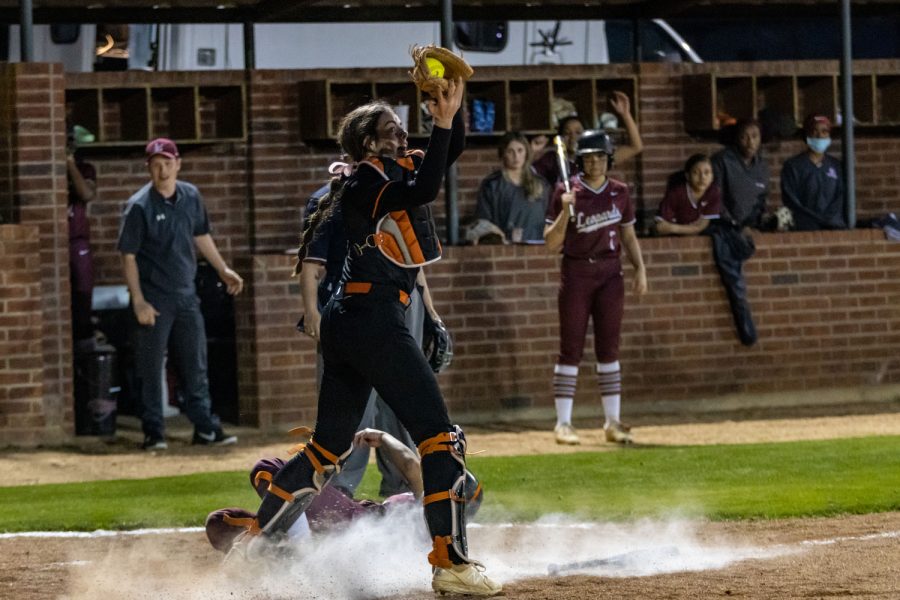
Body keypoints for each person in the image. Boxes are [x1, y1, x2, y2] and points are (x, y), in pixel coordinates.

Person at [227, 81, 501, 596]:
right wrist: (442, 122)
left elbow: (448, 155)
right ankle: (453, 565)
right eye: (389, 129)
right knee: (440, 437)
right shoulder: (364, 183)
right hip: (371, 318)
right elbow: (423, 190)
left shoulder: (389, 172)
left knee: (326, 448)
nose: (401, 132)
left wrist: (452, 112)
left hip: (352, 320)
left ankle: (257, 547)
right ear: (368, 145)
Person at [299, 181, 436, 498]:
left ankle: (404, 486)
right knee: (349, 405)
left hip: (400, 306)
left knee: (401, 401)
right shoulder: (328, 198)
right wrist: (311, 312)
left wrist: (430, 312)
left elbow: (413, 262)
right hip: (350, 308)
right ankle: (340, 490)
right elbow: (312, 262)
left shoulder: (401, 194)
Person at [117, 138, 243, 450]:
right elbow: (128, 256)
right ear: (149, 167)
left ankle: (205, 428)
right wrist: (139, 300)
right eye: (156, 164)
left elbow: (201, 235)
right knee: (150, 367)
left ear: (178, 164)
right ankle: (153, 433)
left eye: (167, 163)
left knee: (195, 363)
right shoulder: (139, 206)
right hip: (154, 298)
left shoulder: (191, 195)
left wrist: (222, 269)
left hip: (186, 295)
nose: (162, 170)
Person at [205, 428, 485, 554]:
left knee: (268, 468)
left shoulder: (433, 511)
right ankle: (278, 545)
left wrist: (385, 438)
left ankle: (301, 552)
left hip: (349, 523)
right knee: (222, 524)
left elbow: (412, 465)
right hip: (343, 539)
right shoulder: (443, 539)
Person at [543, 130, 648, 447]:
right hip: (576, 271)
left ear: (609, 159)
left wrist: (640, 268)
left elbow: (628, 235)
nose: (596, 163)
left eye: (601, 157)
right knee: (570, 347)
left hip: (610, 273)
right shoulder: (566, 189)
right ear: (580, 160)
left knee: (609, 348)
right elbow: (551, 243)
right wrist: (564, 210)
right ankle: (563, 424)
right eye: (589, 157)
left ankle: (612, 422)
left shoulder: (620, 191)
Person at [710, 119, 767, 346]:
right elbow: (715, 199)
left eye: (755, 136)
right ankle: (746, 330)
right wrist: (733, 223)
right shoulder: (722, 161)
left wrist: (753, 223)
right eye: (745, 136)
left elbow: (761, 201)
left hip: (747, 227)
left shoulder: (762, 166)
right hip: (724, 227)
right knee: (735, 283)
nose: (750, 142)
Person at [532, 91, 644, 185]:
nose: (572, 137)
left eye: (578, 132)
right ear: (560, 138)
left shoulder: (595, 158)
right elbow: (524, 172)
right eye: (567, 133)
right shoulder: (552, 160)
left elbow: (636, 147)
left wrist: (626, 115)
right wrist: (533, 151)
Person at [475, 131, 550, 244]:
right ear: (503, 154)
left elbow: (549, 216)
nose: (516, 156)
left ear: (526, 152)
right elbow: (484, 220)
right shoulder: (492, 185)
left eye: (520, 150)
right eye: (510, 151)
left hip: (537, 245)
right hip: (505, 247)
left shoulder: (540, 183)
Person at [780, 114, 847, 231]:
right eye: (814, 131)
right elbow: (791, 201)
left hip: (832, 227)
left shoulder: (836, 165)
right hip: (804, 228)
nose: (819, 136)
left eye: (824, 131)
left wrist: (828, 219)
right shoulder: (793, 166)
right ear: (806, 135)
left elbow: (840, 197)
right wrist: (812, 220)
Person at [67, 128, 97, 347]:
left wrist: (69, 162)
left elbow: (86, 194)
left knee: (82, 293)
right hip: (53, 241)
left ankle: (83, 340)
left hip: (77, 240)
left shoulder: (85, 168)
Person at [655, 154, 721, 236]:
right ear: (687, 176)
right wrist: (687, 229)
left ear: (712, 177)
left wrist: (673, 228)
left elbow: (701, 227)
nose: (702, 177)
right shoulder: (676, 193)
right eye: (696, 172)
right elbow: (660, 227)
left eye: (707, 173)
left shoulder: (714, 192)